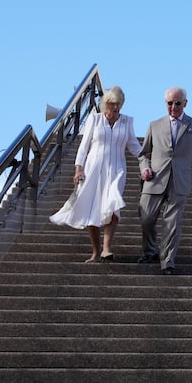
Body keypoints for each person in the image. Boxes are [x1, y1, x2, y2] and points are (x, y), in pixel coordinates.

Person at [51, 84, 143, 263]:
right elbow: (84, 146)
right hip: (93, 167)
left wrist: (149, 154)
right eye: (112, 103)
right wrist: (78, 169)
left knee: (113, 205)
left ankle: (107, 248)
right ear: (105, 103)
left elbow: (133, 145)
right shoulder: (95, 119)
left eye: (118, 104)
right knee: (92, 209)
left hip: (117, 169)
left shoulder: (127, 121)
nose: (115, 107)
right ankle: (95, 251)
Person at [138, 86, 192, 275]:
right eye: (170, 103)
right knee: (146, 217)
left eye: (178, 103)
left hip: (180, 181)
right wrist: (145, 168)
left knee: (172, 222)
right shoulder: (155, 125)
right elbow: (143, 153)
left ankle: (167, 261)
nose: (174, 107)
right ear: (165, 104)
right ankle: (150, 251)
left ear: (185, 103)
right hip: (154, 180)